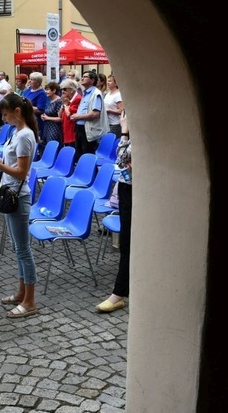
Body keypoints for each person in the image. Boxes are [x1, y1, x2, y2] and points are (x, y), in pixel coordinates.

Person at [0, 93, 39, 318]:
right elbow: (12, 163)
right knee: (18, 248)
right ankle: (22, 292)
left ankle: (30, 300)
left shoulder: (24, 135)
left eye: (4, 114)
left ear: (17, 112)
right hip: (12, 191)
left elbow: (22, 172)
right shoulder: (16, 133)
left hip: (18, 196)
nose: (3, 119)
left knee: (23, 250)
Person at [96, 111, 132, 313]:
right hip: (128, 186)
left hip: (137, 189)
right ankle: (120, 292)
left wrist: (125, 132)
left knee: (129, 243)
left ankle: (119, 293)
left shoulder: (136, 132)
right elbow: (124, 161)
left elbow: (121, 158)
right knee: (127, 243)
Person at [70, 70, 108, 163]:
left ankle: (90, 176)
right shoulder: (85, 93)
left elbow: (95, 114)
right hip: (80, 127)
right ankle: (81, 175)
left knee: (87, 155)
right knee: (79, 155)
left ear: (92, 80)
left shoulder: (96, 93)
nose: (82, 78)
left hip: (88, 129)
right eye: (82, 76)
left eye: (85, 77)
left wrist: (78, 116)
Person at [39, 81, 63, 154]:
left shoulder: (59, 101)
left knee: (52, 149)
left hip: (55, 129)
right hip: (47, 127)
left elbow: (61, 118)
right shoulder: (49, 100)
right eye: (45, 89)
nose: (46, 91)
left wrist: (47, 118)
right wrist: (43, 116)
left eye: (48, 89)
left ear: (54, 90)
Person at [23, 71, 47, 135]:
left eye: (32, 80)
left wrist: (26, 105)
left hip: (35, 121)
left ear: (38, 83)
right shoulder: (28, 90)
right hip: (25, 119)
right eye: (30, 79)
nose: (30, 81)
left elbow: (40, 110)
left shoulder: (42, 93)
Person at [58, 79, 80, 147]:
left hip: (72, 133)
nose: (62, 91)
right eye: (62, 89)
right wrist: (63, 105)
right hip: (66, 131)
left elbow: (69, 115)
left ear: (72, 90)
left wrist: (65, 105)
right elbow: (59, 115)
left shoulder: (77, 99)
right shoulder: (67, 100)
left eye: (65, 89)